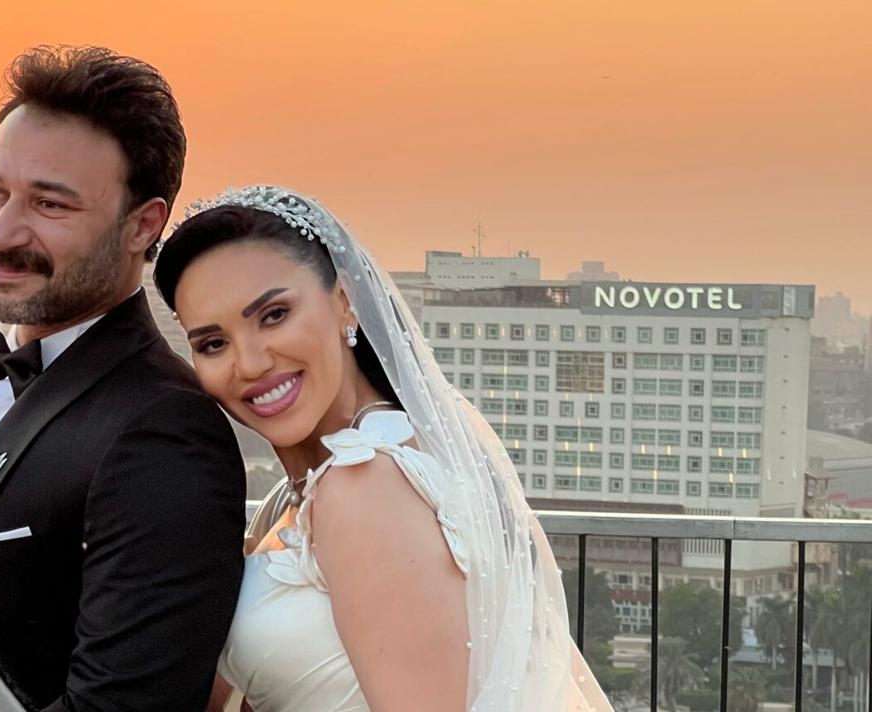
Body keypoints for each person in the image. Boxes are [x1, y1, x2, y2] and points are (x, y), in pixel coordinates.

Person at [153, 185, 612, 711]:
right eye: (213, 343)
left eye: (274, 315)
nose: (251, 363)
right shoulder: (320, 484)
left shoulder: (363, 484)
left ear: (345, 302)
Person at [0, 46, 246, 711]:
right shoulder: (12, 372)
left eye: (49, 205)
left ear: (142, 225)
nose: (2, 233)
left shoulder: (164, 431)